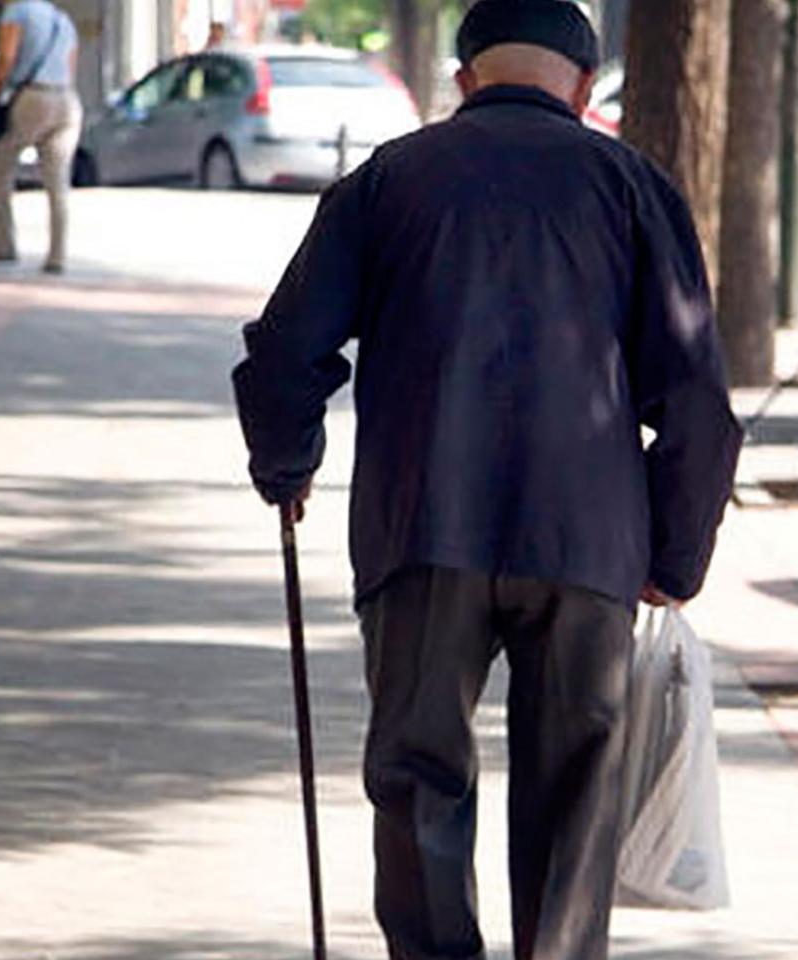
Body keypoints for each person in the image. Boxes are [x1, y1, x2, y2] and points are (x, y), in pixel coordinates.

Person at [232, 1, 741, 957]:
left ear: (463, 80)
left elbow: (285, 349)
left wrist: (286, 462)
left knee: (419, 776)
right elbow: (696, 400)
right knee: (573, 796)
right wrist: (674, 554)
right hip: (587, 544)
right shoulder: (633, 187)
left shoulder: (387, 182)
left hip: (425, 527)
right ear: (585, 89)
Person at [0, 0, 81, 274]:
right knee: (57, 181)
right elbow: (70, 67)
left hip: (32, 97)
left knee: (0, 167)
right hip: (67, 101)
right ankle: (57, 255)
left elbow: (6, 58)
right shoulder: (64, 21)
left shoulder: (16, 12)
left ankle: (1, 246)